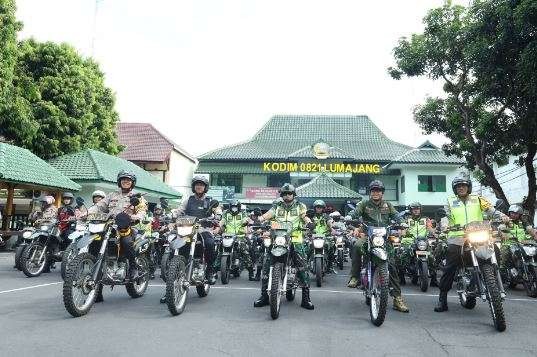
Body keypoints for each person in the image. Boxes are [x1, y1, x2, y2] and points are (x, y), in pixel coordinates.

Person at [434, 176, 509, 312]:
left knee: (495, 251)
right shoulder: (450, 201)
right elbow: (446, 216)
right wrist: (445, 225)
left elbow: (491, 210)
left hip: (479, 234)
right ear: (455, 189)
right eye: (458, 186)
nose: (461, 188)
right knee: (450, 264)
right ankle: (442, 298)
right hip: (458, 237)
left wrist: (502, 216)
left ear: (469, 187)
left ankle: (491, 279)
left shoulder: (478, 199)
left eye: (463, 185)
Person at [347, 180, 410, 313]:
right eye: (373, 190)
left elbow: (397, 216)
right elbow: (355, 213)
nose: (376, 193)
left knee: (392, 265)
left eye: (378, 190)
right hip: (367, 235)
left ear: (382, 193)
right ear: (370, 193)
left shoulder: (388, 205)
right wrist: (348, 217)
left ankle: (397, 299)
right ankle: (355, 276)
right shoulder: (364, 204)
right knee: (357, 245)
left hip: (383, 238)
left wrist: (402, 223)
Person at [252, 183, 314, 310]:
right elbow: (267, 215)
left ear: (293, 194)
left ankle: (306, 298)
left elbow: (305, 217)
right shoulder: (276, 206)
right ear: (282, 195)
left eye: (289, 193)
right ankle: (264, 296)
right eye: (285, 193)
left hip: (295, 238)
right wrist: (259, 220)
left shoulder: (300, 206)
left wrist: (309, 223)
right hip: (278, 238)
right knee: (266, 263)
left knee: (302, 266)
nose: (287, 196)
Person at [89, 171, 148, 302]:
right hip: (109, 226)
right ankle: (96, 291)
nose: (125, 182)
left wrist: (136, 217)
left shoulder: (137, 196)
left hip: (128, 227)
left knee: (126, 242)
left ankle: (133, 267)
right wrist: (86, 212)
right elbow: (98, 206)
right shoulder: (111, 195)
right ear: (119, 181)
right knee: (94, 246)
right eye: (123, 180)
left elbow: (142, 210)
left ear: (132, 183)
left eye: (128, 180)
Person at [172, 175, 221, 284]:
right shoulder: (188, 200)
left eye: (201, 185)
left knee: (209, 243)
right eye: (197, 184)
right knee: (173, 243)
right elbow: (179, 210)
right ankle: (171, 279)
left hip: (204, 228)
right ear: (194, 186)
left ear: (205, 187)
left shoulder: (210, 200)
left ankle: (209, 270)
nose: (199, 186)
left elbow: (218, 210)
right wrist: (173, 214)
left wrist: (218, 215)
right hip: (187, 228)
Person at [216, 199, 255, 281]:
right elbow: (222, 221)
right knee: (219, 251)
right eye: (233, 207)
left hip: (239, 236)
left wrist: (246, 222)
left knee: (244, 251)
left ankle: (251, 273)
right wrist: (217, 226)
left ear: (238, 207)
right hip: (227, 236)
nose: (234, 209)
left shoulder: (243, 213)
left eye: (236, 207)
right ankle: (213, 272)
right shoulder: (226, 213)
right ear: (230, 207)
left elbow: (246, 219)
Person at [400, 202, 437, 286]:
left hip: (423, 242)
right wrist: (403, 233)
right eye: (414, 209)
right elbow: (402, 231)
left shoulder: (426, 219)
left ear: (420, 210)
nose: (416, 210)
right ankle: (401, 277)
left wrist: (434, 233)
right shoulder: (406, 219)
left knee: (432, 258)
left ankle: (434, 280)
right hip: (409, 242)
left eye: (418, 209)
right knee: (401, 257)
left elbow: (430, 228)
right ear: (411, 210)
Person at [499, 205, 537, 279]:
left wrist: (534, 235)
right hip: (509, 243)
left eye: (516, 213)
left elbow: (530, 230)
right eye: (512, 213)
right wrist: (503, 234)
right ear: (509, 213)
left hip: (522, 244)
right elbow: (501, 229)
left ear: (520, 214)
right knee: (505, 253)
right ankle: (502, 271)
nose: (514, 215)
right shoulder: (505, 221)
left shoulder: (523, 222)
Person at [311, 200, 335, 273]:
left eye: (320, 207)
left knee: (332, 247)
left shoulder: (326, 216)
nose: (319, 209)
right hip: (313, 236)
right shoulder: (311, 216)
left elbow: (329, 222)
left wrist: (332, 229)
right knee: (307, 249)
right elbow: (307, 224)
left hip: (325, 236)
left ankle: (330, 265)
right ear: (315, 208)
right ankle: (306, 264)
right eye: (317, 207)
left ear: (323, 208)